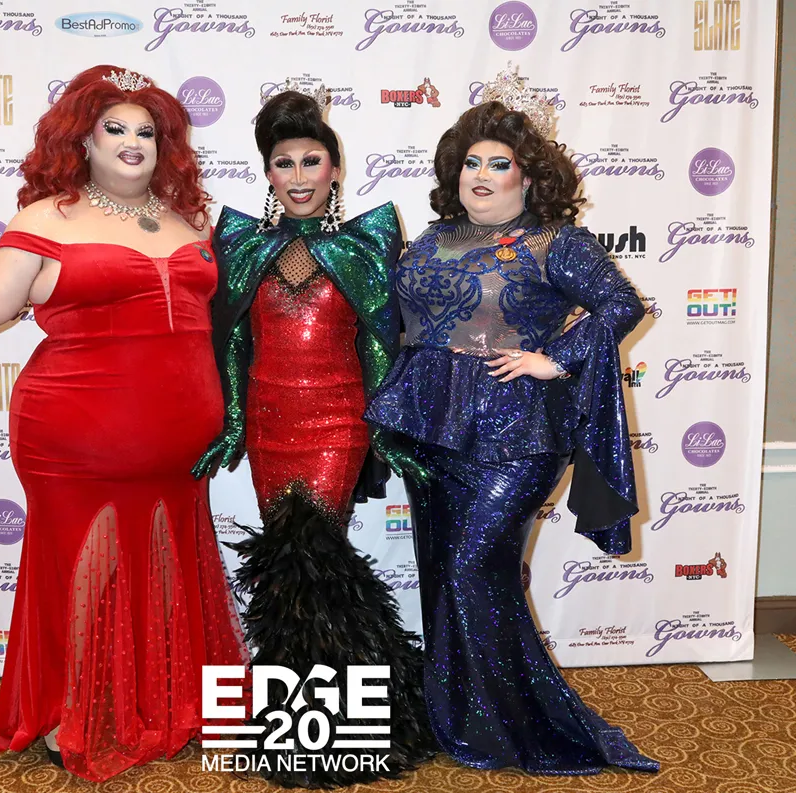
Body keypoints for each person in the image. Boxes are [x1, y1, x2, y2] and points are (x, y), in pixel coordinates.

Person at [0, 64, 247, 782]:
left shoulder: (190, 219)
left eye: (147, 131)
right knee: (82, 573)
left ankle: (164, 701)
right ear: (83, 141)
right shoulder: (44, 219)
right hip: (76, 435)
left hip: (179, 445)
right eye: (114, 129)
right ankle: (74, 709)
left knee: (166, 568)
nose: (132, 142)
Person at [364, 65, 661, 775]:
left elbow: (622, 305)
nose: (482, 175)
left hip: (516, 434)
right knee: (440, 571)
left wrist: (555, 358)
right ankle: (458, 716)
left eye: (499, 164)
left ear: (528, 177)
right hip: (431, 429)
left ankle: (524, 726)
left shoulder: (556, 241)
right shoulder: (433, 236)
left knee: (473, 569)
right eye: (472, 162)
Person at [192, 88, 434, 786]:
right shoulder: (243, 244)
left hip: (337, 422)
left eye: (311, 161)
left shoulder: (365, 241)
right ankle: (310, 719)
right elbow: (232, 342)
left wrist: (385, 427)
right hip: (270, 422)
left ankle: (328, 730)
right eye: (283, 163)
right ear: (267, 172)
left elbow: (380, 345)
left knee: (313, 554)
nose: (298, 177)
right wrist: (232, 423)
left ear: (335, 168)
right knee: (286, 564)